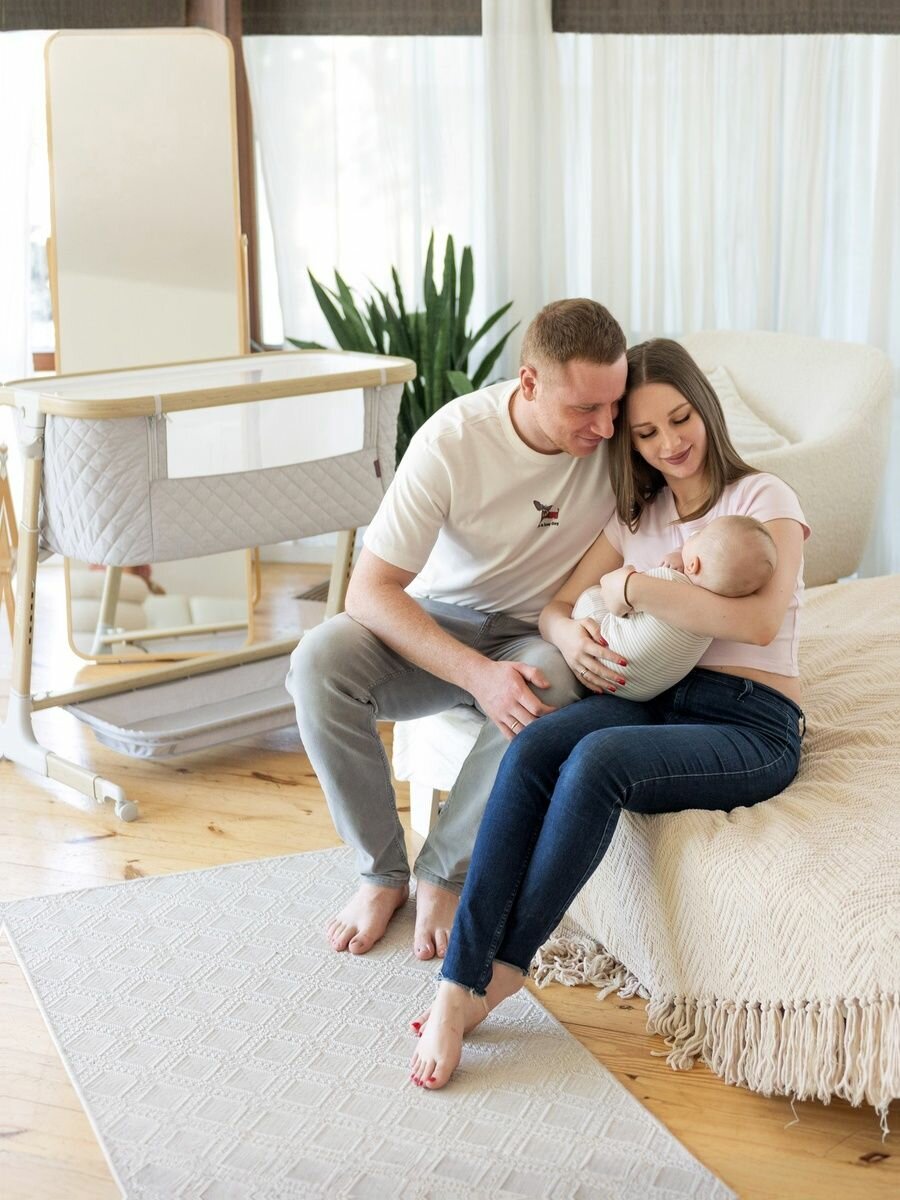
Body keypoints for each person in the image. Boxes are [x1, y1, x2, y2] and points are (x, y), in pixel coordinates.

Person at [408, 337, 809, 1089]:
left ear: (705, 408)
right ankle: (457, 980)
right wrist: (571, 638)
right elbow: (556, 607)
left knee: (597, 762)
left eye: (680, 419)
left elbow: (758, 622)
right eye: (647, 433)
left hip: (750, 723)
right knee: (534, 745)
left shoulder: (763, 500)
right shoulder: (639, 515)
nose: (670, 444)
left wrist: (635, 589)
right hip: (654, 699)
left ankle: (507, 967)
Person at [287, 300, 628, 961]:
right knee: (317, 661)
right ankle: (381, 873)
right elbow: (369, 590)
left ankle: (444, 875)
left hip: (533, 634)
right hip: (438, 622)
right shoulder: (453, 441)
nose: (605, 425)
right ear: (529, 383)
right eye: (585, 408)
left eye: (614, 404)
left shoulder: (618, 441)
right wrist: (478, 676)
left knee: (551, 680)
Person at [570, 514, 777, 701]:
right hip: (640, 691)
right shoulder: (711, 626)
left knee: (593, 594)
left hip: (602, 655)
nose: (691, 537)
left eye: (698, 535)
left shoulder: (666, 579)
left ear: (693, 565)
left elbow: (616, 601)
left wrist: (634, 576)